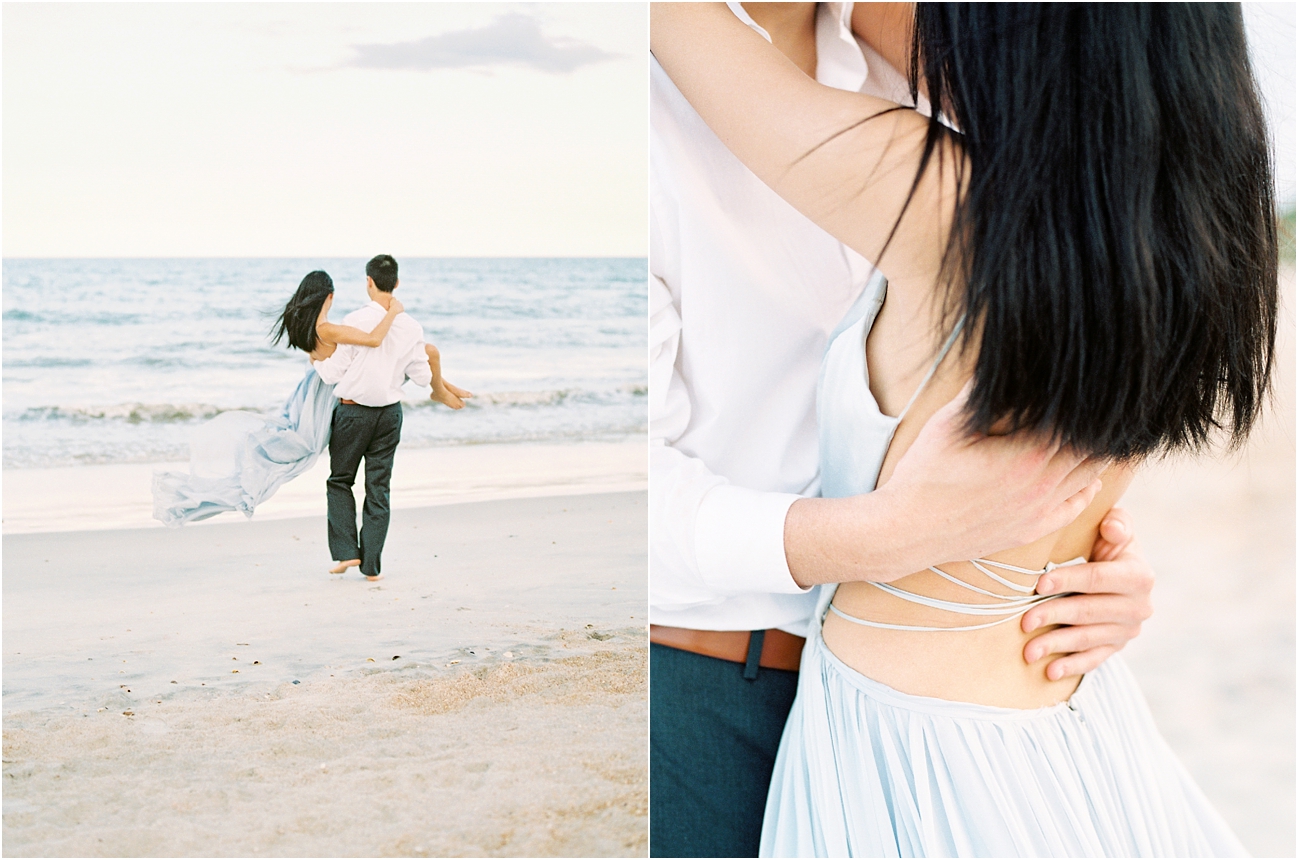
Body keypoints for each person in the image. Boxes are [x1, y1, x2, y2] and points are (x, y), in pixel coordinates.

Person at [652, 2, 1275, 856]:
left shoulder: (938, 179)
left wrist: (1063, 565)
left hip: (910, 737)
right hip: (1024, 727)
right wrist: (938, 548)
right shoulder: (1186, 229)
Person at [312, 255, 437, 582]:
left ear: (369, 282)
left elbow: (332, 374)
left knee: (340, 480)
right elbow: (422, 378)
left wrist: (314, 359)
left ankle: (346, 552)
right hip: (389, 417)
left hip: (353, 413)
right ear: (396, 283)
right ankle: (372, 567)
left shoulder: (354, 319)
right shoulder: (411, 327)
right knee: (378, 489)